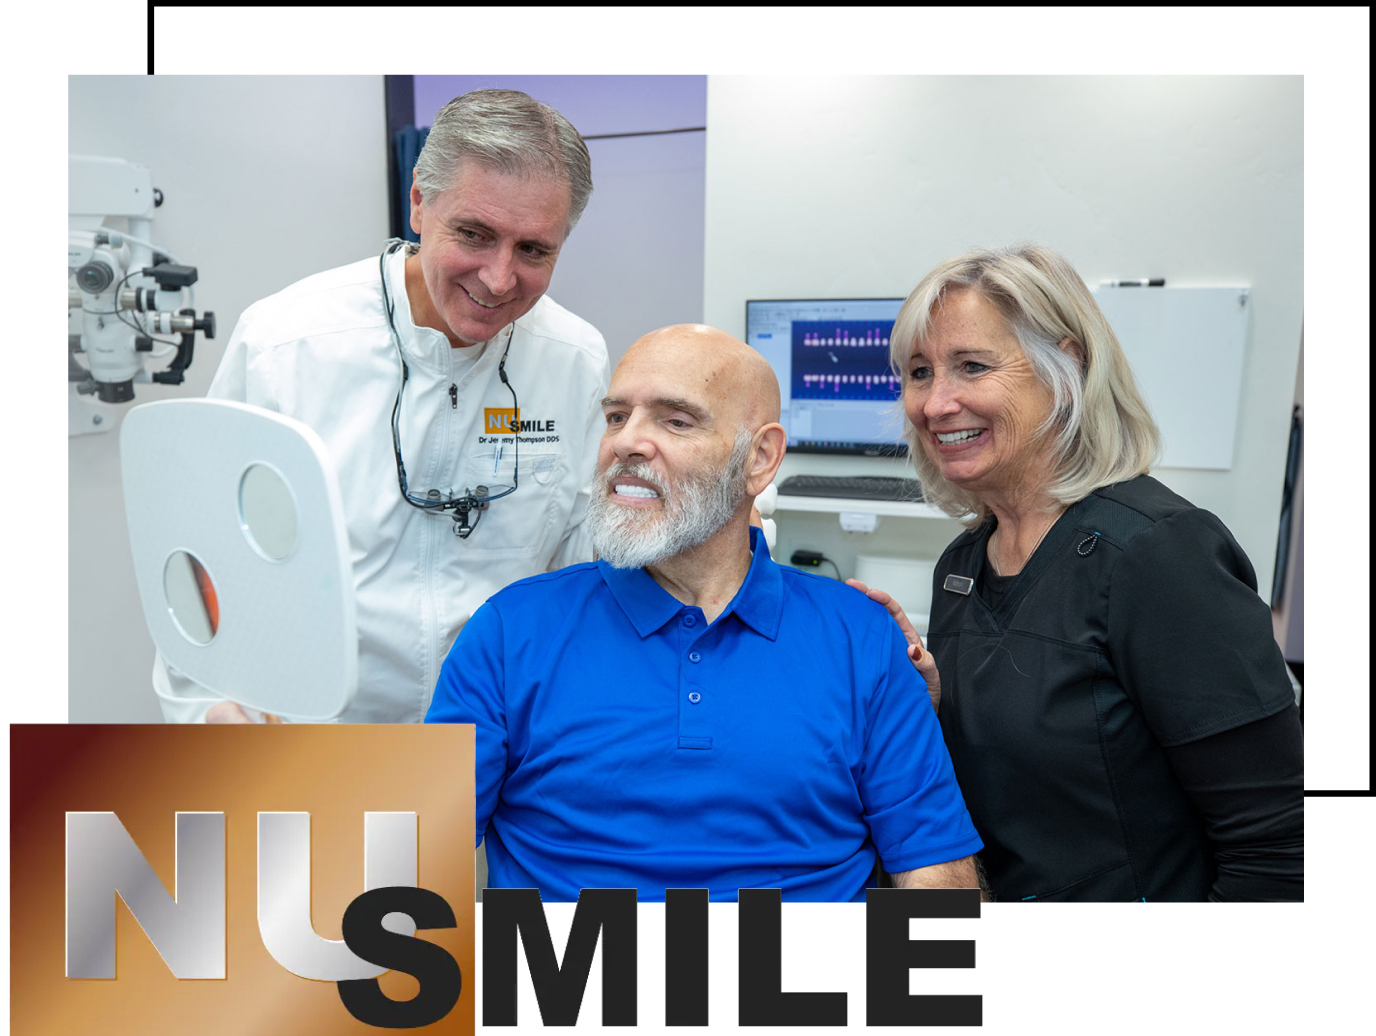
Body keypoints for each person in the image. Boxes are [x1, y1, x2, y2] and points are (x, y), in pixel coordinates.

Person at [426, 324, 985, 901]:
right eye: (617, 417)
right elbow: (405, 865)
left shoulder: (861, 636)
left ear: (760, 458)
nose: (627, 443)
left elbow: (935, 872)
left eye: (675, 420)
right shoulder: (506, 632)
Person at [850, 244, 1303, 902]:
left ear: (1066, 365)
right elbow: (1027, 761)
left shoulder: (1157, 553)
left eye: (971, 366)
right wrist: (928, 705)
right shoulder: (964, 565)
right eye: (919, 373)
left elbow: (1279, 846)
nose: (935, 403)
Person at [155, 90, 610, 723]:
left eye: (534, 250)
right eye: (474, 235)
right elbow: (197, 562)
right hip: (321, 744)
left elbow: (582, 565)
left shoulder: (574, 359)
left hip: (498, 746)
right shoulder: (287, 345)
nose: (500, 278)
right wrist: (209, 713)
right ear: (420, 202)